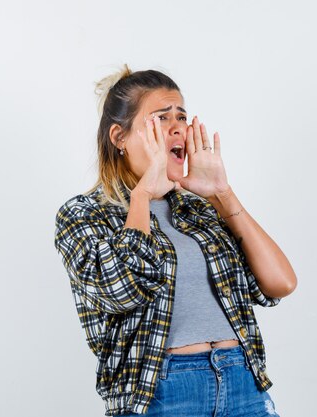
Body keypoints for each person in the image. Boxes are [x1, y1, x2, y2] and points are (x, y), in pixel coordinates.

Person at [53, 64, 297, 416]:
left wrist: (222, 194)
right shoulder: (83, 214)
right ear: (119, 137)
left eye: (181, 116)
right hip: (162, 392)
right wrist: (142, 196)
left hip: (241, 379)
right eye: (161, 118)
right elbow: (120, 291)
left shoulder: (197, 210)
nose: (177, 127)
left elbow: (279, 283)